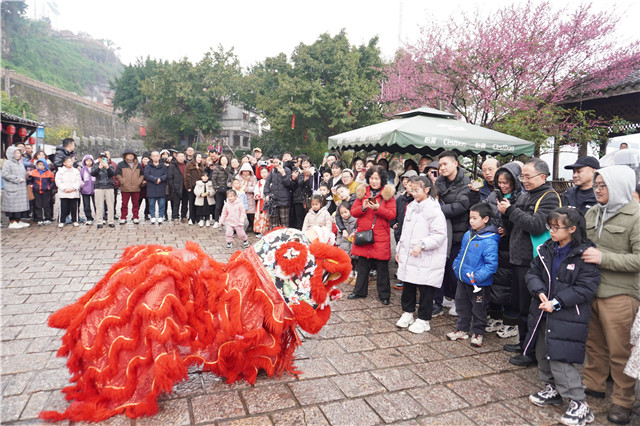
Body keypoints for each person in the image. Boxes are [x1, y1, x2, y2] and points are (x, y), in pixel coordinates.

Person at [524, 207, 600, 426]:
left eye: (556, 228)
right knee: (542, 351)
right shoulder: (546, 248)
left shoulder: (584, 253)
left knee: (561, 357)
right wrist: (539, 292)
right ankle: (551, 388)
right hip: (542, 310)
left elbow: (586, 287)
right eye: (550, 226)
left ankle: (580, 403)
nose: (552, 231)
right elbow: (533, 273)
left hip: (568, 315)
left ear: (572, 229)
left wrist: (556, 302)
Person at [581, 165, 640, 425]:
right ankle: (593, 384)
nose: (597, 189)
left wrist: (603, 258)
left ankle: (623, 400)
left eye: (603, 185)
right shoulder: (592, 212)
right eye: (596, 185)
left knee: (620, 352)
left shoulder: (636, 216)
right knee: (593, 344)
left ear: (619, 187)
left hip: (620, 294)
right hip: (591, 289)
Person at [498, 158, 561, 367]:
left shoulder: (549, 197)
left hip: (532, 260)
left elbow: (536, 225)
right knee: (519, 305)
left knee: (529, 308)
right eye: (522, 176)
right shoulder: (526, 194)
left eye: (527, 176)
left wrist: (511, 211)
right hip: (518, 258)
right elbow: (517, 223)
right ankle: (523, 342)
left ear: (542, 177)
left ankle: (531, 352)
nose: (523, 180)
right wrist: (505, 214)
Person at [395, 175, 447, 333]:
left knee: (425, 288)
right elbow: (404, 231)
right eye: (411, 190)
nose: (413, 193)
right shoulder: (411, 206)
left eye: (416, 190)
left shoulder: (434, 209)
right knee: (408, 285)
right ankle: (408, 312)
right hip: (410, 253)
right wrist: (399, 249)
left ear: (426, 189)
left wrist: (422, 245)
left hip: (426, 256)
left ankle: (424, 319)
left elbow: (439, 235)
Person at [447, 202, 499, 347]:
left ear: (486, 219)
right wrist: (456, 266)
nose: (471, 221)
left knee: (479, 309)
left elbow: (491, 265)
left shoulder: (490, 240)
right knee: (461, 305)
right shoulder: (467, 234)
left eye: (475, 218)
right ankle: (462, 329)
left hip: (479, 284)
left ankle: (478, 332)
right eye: (470, 218)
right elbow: (461, 253)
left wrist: (476, 277)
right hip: (463, 279)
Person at [348, 165, 397, 305]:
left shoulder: (388, 194)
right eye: (371, 178)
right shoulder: (363, 192)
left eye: (377, 178)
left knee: (382, 266)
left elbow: (392, 215)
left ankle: (384, 295)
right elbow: (353, 212)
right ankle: (359, 291)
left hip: (380, 235)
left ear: (382, 179)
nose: (374, 181)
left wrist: (378, 208)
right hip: (364, 233)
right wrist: (363, 207)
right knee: (362, 264)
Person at [484, 162, 522, 339]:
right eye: (500, 181)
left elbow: (521, 222)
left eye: (507, 182)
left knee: (509, 288)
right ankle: (496, 317)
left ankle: (511, 323)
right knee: (495, 283)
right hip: (494, 245)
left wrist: (507, 229)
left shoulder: (520, 197)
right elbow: (486, 214)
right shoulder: (493, 195)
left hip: (510, 248)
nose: (503, 185)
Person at [434, 151, 472, 316]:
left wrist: (437, 210)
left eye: (445, 164)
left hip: (458, 232)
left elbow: (461, 206)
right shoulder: (438, 182)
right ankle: (442, 298)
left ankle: (459, 301)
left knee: (454, 269)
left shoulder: (466, 183)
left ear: (456, 163)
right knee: (440, 267)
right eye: (440, 165)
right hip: (441, 231)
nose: (442, 168)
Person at [391, 170, 417, 290]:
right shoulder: (400, 199)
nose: (407, 184)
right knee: (400, 256)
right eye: (405, 181)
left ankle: (411, 280)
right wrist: (393, 224)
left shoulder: (417, 200)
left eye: (409, 182)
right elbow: (393, 213)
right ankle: (401, 278)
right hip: (400, 232)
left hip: (413, 234)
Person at [3, 146, 30, 229]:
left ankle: (18, 220)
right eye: (15, 153)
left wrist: (27, 175)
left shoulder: (20, 162)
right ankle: (12, 221)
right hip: (12, 188)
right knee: (12, 206)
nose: (17, 155)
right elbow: (5, 174)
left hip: (21, 188)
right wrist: (17, 179)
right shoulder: (7, 163)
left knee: (20, 206)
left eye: (18, 153)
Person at [115, 149, 144, 224]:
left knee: (136, 203)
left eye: (132, 155)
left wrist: (139, 181)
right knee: (124, 204)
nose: (130, 156)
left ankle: (135, 217)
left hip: (136, 187)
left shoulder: (138, 165)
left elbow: (142, 175)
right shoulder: (121, 164)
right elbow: (117, 174)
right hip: (125, 187)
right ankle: (123, 217)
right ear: (125, 156)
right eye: (128, 154)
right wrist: (122, 181)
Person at [264, 156, 293, 229]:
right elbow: (267, 183)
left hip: (284, 200)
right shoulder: (273, 171)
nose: (275, 164)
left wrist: (283, 174)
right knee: (273, 222)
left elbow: (288, 184)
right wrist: (267, 194)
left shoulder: (287, 170)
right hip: (274, 199)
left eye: (277, 162)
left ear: (281, 162)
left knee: (284, 222)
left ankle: (285, 238)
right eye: (274, 163)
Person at [55, 156, 82, 228]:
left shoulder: (76, 171)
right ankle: (62, 221)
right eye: (68, 162)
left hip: (74, 192)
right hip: (64, 192)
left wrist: (74, 188)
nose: (70, 163)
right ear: (64, 163)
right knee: (63, 207)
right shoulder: (60, 171)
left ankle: (75, 220)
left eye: (71, 161)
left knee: (74, 207)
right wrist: (64, 188)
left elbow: (78, 180)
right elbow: (58, 181)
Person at [28, 158, 55, 225]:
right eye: (39, 165)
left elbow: (53, 182)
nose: (41, 166)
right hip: (36, 191)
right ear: (37, 165)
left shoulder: (49, 173)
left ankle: (47, 218)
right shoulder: (33, 172)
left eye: (43, 165)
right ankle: (39, 218)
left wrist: (49, 188)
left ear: (45, 165)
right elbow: (30, 180)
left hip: (46, 191)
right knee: (38, 205)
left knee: (46, 205)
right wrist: (31, 185)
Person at [336, 202, 358, 284]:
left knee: (356, 261)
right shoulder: (341, 222)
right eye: (342, 213)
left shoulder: (355, 220)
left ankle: (357, 276)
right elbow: (339, 234)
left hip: (353, 244)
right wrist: (338, 244)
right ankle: (350, 274)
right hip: (344, 245)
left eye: (345, 212)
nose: (344, 215)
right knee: (349, 261)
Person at [92, 153, 115, 229]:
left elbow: (112, 174)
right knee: (99, 205)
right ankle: (99, 221)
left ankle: (111, 221)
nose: (102, 159)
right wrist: (99, 168)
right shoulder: (95, 165)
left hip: (109, 186)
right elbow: (92, 173)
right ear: (99, 158)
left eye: (104, 158)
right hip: (99, 186)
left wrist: (107, 167)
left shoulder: (110, 165)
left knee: (110, 205)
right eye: (101, 158)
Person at [144, 151, 168, 225]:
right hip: (151, 187)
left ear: (159, 157)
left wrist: (160, 179)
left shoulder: (163, 166)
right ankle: (153, 217)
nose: (155, 157)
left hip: (161, 186)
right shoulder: (148, 166)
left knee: (162, 204)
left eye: (157, 156)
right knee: (151, 204)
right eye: (153, 156)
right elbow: (146, 175)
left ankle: (160, 216)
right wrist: (155, 179)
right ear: (151, 157)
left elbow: (166, 175)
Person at [291, 156, 313, 230]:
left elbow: (312, 186)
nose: (305, 165)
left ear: (310, 164)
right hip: (298, 199)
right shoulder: (299, 174)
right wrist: (304, 179)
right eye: (303, 163)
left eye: (307, 163)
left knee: (309, 219)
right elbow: (296, 185)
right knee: (299, 219)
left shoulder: (314, 174)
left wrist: (309, 177)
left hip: (309, 200)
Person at [211, 154, 232, 228]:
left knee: (228, 206)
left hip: (228, 189)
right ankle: (217, 221)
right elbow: (213, 179)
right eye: (222, 160)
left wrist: (226, 169)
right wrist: (215, 188)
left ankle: (227, 221)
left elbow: (231, 177)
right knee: (218, 206)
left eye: (225, 160)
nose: (224, 161)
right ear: (220, 161)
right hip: (219, 189)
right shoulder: (217, 169)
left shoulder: (230, 168)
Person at [167, 152, 189, 224]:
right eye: (179, 156)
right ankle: (175, 217)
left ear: (184, 157)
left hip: (185, 187)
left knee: (185, 203)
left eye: (182, 156)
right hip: (176, 188)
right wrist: (172, 187)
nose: (180, 158)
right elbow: (170, 177)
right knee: (176, 203)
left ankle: (184, 216)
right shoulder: (172, 165)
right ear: (176, 157)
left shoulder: (187, 165)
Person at [185, 153, 205, 225]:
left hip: (199, 187)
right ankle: (191, 218)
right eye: (198, 157)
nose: (200, 159)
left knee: (199, 203)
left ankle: (198, 218)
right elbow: (187, 176)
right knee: (191, 202)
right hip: (192, 186)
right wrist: (188, 186)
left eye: (200, 157)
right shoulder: (189, 165)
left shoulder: (201, 166)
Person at [238, 163, 257, 231]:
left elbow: (255, 187)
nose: (246, 173)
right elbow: (236, 185)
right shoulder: (238, 177)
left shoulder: (253, 177)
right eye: (244, 171)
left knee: (251, 213)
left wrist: (248, 189)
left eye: (247, 171)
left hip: (250, 197)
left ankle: (251, 225)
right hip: (240, 197)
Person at [253, 166, 270, 237]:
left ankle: (267, 231)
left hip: (268, 200)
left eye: (265, 172)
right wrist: (257, 194)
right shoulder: (259, 182)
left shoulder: (270, 181)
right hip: (261, 201)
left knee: (267, 216)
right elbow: (256, 190)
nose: (264, 174)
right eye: (262, 173)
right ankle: (261, 231)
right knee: (261, 215)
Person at [79, 155, 96, 225]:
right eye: (87, 161)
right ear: (84, 162)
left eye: (90, 161)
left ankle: (100, 217)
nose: (89, 162)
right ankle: (89, 218)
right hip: (85, 190)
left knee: (97, 204)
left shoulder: (95, 169)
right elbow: (80, 179)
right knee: (86, 205)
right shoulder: (82, 170)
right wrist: (82, 185)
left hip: (94, 189)